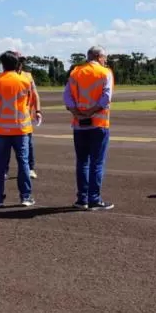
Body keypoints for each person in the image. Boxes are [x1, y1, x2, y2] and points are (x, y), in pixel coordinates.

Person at [64, 46, 114, 210]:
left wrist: (77, 112)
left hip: (79, 125)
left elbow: (67, 96)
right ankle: (94, 199)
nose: (105, 60)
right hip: (98, 124)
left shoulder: (76, 71)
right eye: (105, 57)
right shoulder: (105, 72)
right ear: (99, 57)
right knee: (97, 163)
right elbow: (106, 97)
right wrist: (92, 112)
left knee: (82, 162)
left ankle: (82, 199)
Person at [0, 51, 35, 208]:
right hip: (21, 128)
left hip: (1, 128)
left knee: (0, 165)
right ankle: (26, 197)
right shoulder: (25, 80)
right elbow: (29, 101)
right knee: (23, 163)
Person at [5, 55, 42, 180]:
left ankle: (30, 168)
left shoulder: (27, 76)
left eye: (22, 61)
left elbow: (35, 94)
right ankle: (4, 170)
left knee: (28, 145)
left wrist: (38, 110)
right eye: (19, 61)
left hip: (24, 117)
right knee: (6, 146)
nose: (21, 63)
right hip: (7, 118)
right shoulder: (5, 76)